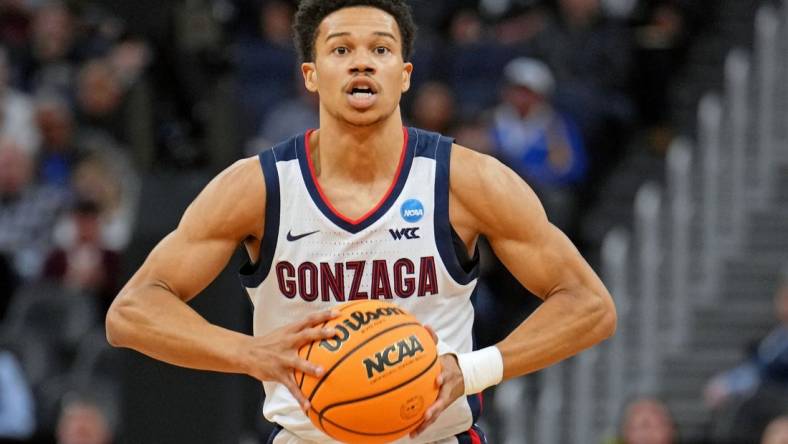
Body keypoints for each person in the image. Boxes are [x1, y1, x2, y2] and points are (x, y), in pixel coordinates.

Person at [104, 1, 617, 443]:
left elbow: (589, 305)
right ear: (311, 73)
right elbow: (131, 312)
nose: (362, 64)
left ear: (405, 73)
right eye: (341, 50)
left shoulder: (468, 181)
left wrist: (473, 369)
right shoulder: (258, 188)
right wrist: (247, 352)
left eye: (380, 49)